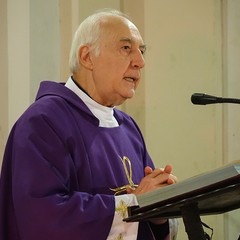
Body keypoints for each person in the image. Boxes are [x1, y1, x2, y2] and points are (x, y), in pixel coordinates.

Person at [0, 9, 178, 240]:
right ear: (87, 57)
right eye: (126, 48)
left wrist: (159, 211)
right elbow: (44, 217)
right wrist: (134, 204)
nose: (140, 62)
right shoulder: (43, 122)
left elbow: (147, 203)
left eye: (142, 51)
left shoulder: (128, 128)